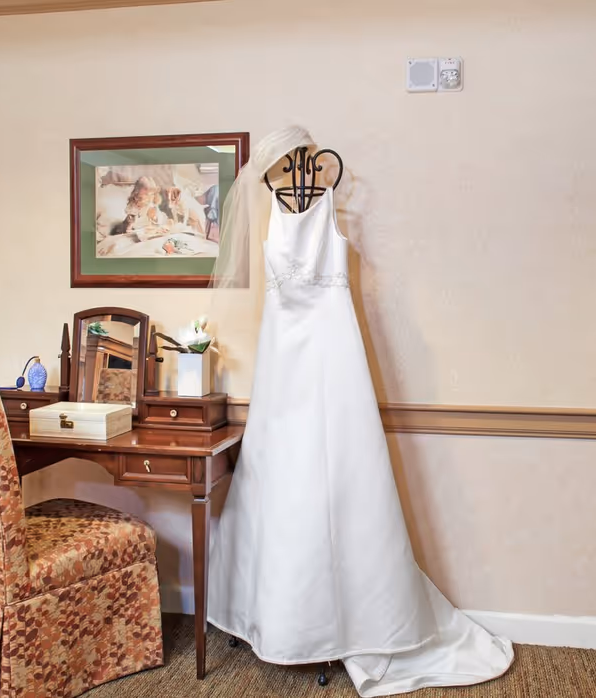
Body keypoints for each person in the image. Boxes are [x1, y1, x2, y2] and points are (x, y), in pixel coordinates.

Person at [207, 126, 514, 697]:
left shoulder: (327, 197)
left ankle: (346, 620)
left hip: (332, 356)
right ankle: (273, 617)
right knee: (279, 478)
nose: (295, 173)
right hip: (285, 364)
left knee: (344, 477)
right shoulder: (274, 205)